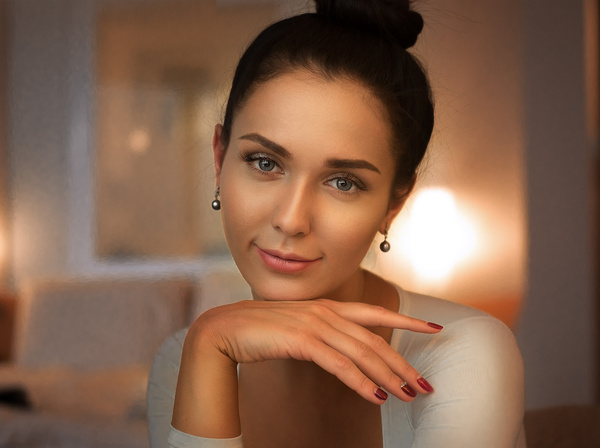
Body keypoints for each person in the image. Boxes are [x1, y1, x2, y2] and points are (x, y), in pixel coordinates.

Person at [147, 1, 526, 447]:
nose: (291, 219)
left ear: (394, 203)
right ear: (219, 158)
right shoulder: (187, 358)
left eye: (343, 182)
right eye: (265, 162)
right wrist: (208, 343)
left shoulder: (463, 354)